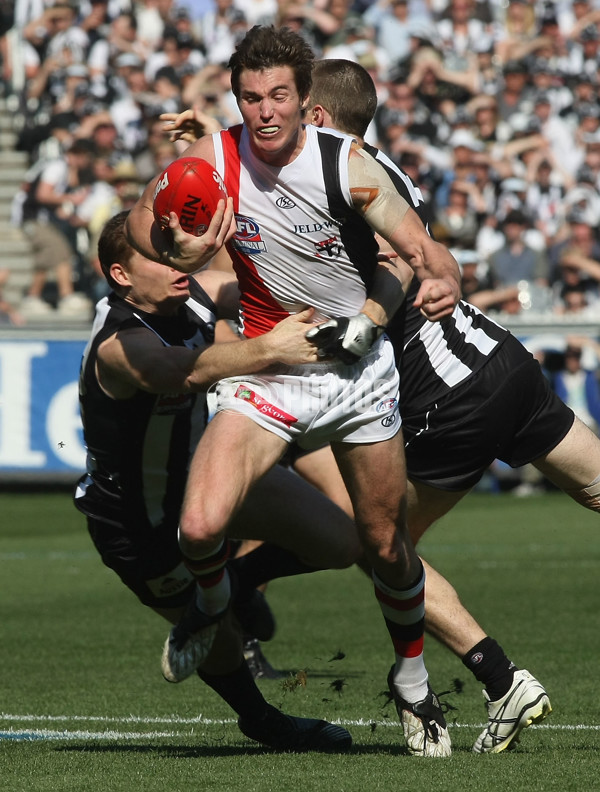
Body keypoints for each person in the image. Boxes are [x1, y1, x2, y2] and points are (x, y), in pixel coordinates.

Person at [126, 25, 462, 758]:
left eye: (279, 95)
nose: (265, 111)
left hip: (356, 374)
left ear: (306, 99)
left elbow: (426, 253)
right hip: (270, 369)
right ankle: (216, 605)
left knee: (383, 543)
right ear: (236, 98)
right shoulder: (212, 157)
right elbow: (140, 230)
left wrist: (425, 289)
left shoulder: (350, 166)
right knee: (200, 530)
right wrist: (173, 243)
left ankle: (411, 679)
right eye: (250, 97)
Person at [301, 57, 600, 754]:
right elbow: (428, 255)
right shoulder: (382, 169)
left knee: (384, 548)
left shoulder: (339, 181)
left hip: (447, 393)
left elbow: (406, 261)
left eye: (289, 108)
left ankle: (497, 681)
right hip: (499, 360)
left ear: (315, 118)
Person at [73, 210, 357, 753]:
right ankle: (261, 719)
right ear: (121, 275)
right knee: (221, 638)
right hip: (139, 522)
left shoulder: (192, 293)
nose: (177, 261)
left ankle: (233, 584)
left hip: (204, 477)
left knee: (342, 542)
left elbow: (261, 278)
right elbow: (178, 371)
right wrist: (271, 346)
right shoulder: (118, 342)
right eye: (158, 256)